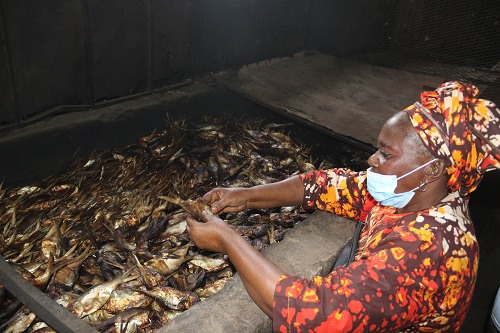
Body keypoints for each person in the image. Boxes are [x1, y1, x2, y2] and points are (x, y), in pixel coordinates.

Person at [186, 81, 500, 332]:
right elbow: (324, 185)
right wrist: (245, 195)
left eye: (385, 154)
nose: (371, 160)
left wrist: (229, 240)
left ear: (432, 169)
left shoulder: (431, 251)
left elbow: (311, 315)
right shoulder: (411, 193)